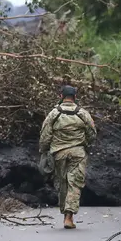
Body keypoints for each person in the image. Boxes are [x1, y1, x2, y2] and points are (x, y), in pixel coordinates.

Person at [39, 85, 97, 229]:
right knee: (75, 184)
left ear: (61, 96)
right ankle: (69, 217)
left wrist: (44, 151)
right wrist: (86, 147)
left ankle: (66, 214)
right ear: (75, 97)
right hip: (78, 153)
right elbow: (92, 134)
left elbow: (45, 135)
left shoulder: (54, 114)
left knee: (62, 183)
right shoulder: (83, 114)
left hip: (59, 154)